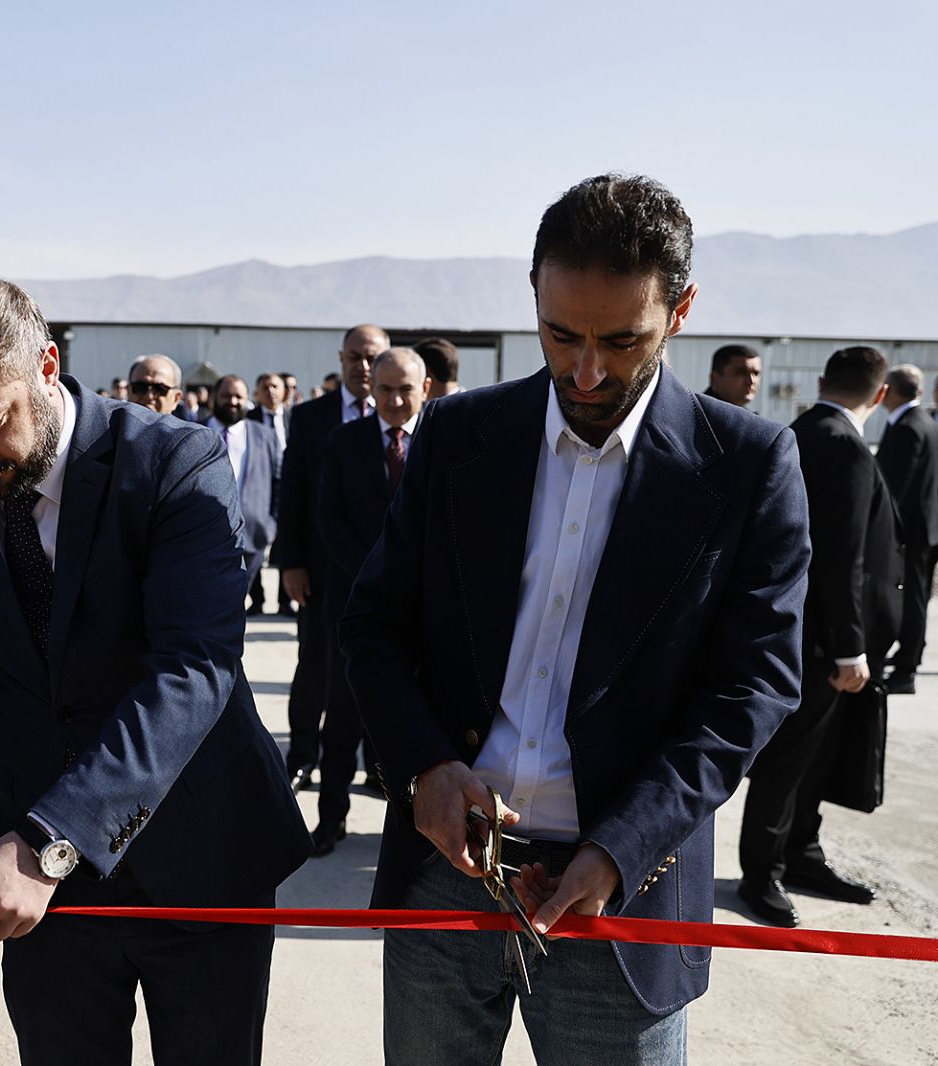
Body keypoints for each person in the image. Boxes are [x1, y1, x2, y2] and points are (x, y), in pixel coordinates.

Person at [341, 174, 810, 1064]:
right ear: (534, 298)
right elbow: (374, 625)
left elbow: (751, 689)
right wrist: (426, 767)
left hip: (621, 901)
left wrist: (623, 847)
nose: (586, 371)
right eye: (561, 335)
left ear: (681, 312)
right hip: (445, 879)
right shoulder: (458, 436)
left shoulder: (749, 465)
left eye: (622, 340)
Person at [0, 272, 310, 1066]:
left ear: (46, 367)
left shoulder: (173, 460)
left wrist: (52, 841)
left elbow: (194, 670)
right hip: (44, 904)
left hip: (199, 862)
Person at [739, 346, 900, 927]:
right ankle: (763, 872)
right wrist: (849, 647)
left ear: (824, 379)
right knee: (789, 760)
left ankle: (800, 854)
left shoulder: (800, 432)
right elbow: (841, 557)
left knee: (811, 757)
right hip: (822, 642)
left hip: (798, 630)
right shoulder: (844, 446)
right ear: (880, 395)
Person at [312, 347, 430, 854]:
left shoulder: (444, 439)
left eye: (406, 390)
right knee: (342, 717)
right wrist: (376, 574)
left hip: (427, 609)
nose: (395, 401)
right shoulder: (345, 441)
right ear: (371, 390)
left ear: (425, 389)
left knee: (417, 722)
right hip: (356, 602)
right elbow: (329, 517)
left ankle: (416, 831)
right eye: (385, 390)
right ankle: (330, 819)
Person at [276, 323, 384, 792]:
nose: (364, 367)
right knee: (315, 668)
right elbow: (293, 493)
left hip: (383, 573)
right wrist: (291, 562)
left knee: (381, 668)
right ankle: (302, 756)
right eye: (355, 357)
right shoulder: (311, 417)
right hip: (321, 572)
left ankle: (377, 764)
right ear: (341, 360)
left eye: (372, 357)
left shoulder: (403, 416)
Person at [876, 364, 938, 694]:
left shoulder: (908, 427)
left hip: (912, 530)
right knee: (917, 596)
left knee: (912, 597)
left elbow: (894, 487)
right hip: (925, 526)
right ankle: (908, 657)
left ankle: (905, 671)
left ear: (889, 390)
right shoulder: (923, 421)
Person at [208, 374, 281, 600]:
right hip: (204, 537)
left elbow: (278, 483)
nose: (232, 401)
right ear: (214, 398)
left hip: (252, 538)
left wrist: (270, 525)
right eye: (226, 396)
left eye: (239, 397)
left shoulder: (265, 436)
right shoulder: (193, 430)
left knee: (236, 602)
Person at [247, 372, 293, 616]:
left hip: (290, 487)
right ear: (257, 393)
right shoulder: (248, 419)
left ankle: (285, 600)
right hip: (259, 488)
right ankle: (257, 599)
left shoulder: (295, 417)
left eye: (275, 386)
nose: (271, 391)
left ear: (284, 391)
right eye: (265, 387)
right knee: (254, 544)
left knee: (288, 545)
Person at [705, 344, 762, 408]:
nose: (751, 381)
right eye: (742, 373)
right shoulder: (699, 412)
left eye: (756, 373)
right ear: (715, 378)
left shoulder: (744, 413)